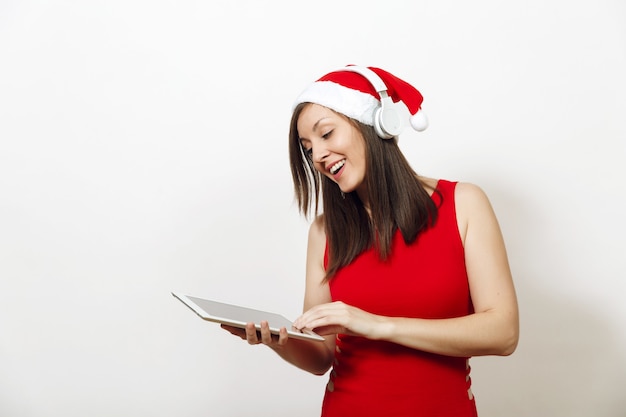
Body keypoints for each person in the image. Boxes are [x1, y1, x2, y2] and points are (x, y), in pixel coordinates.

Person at [221, 65, 519, 416]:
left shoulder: (464, 204)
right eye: (308, 148)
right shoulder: (324, 232)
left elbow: (503, 332)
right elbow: (321, 357)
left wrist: (376, 324)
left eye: (326, 134)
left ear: (376, 124)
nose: (317, 156)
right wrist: (279, 343)